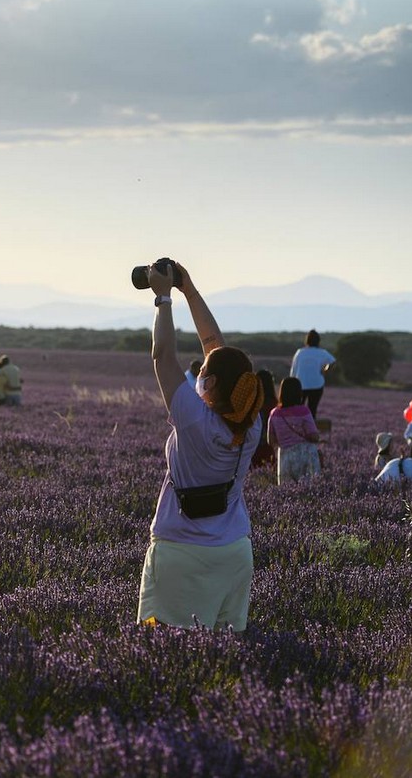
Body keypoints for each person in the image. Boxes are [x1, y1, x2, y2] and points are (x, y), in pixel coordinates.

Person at [137, 260, 262, 633]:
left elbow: (163, 357)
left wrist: (164, 297)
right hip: (234, 553)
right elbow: (216, 349)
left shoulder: (194, 419)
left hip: (182, 551)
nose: (200, 375)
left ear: (212, 385)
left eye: (204, 374)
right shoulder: (251, 423)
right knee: (225, 655)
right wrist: (188, 289)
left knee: (162, 648)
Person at [267, 377, 321, 484]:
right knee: (310, 491)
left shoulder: (274, 413)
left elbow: (271, 440)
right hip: (306, 456)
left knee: (287, 492)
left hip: (285, 457)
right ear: (299, 393)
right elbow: (314, 436)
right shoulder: (303, 411)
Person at [289, 330, 335, 418]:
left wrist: (292, 381)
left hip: (300, 384)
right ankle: (310, 427)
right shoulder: (322, 352)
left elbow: (294, 368)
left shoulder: (300, 352)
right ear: (318, 341)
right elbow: (332, 361)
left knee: (298, 408)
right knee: (312, 409)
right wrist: (325, 370)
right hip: (316, 383)